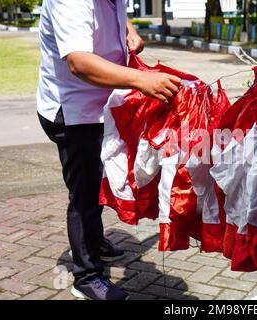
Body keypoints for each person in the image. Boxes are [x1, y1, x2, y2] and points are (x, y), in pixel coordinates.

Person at [36, 0, 181, 300]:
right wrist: (141, 79)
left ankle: (94, 240)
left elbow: (116, 12)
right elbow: (79, 61)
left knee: (97, 177)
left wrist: (128, 30)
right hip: (72, 111)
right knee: (85, 191)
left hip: (101, 103)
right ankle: (86, 275)